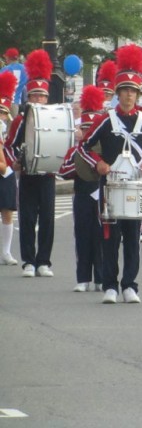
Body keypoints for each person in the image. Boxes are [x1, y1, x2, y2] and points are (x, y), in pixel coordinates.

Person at [79, 45, 142, 304]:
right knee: (109, 237)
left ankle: (130, 285)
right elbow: (84, 147)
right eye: (124, 91)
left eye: (133, 91)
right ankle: (110, 286)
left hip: (136, 186)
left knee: (131, 237)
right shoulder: (106, 119)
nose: (128, 95)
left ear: (138, 94)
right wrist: (98, 164)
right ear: (117, 93)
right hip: (110, 186)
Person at [5, 50, 57, 278]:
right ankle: (28, 261)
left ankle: (44, 261)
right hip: (27, 173)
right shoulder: (20, 119)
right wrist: (14, 161)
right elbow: (8, 145)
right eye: (34, 96)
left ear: (47, 97)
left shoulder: (55, 116)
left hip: (47, 174)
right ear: (29, 97)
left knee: (47, 218)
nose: (38, 100)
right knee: (27, 218)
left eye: (42, 96)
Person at [58, 86, 105, 292]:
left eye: (91, 129)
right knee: (82, 235)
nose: (88, 133)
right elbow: (63, 171)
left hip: (102, 195)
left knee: (102, 237)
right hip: (83, 195)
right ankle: (83, 278)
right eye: (85, 129)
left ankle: (101, 278)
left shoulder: (105, 148)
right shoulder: (74, 150)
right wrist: (79, 158)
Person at [0, 71, 18, 265]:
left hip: (7, 172)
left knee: (7, 211)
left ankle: (6, 252)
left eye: (3, 112)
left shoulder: (11, 128)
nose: (1, 116)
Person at [0, 48, 27, 116]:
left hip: (4, 102)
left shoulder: (5, 69)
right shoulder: (25, 69)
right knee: (12, 125)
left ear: (8, 58)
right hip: (17, 102)